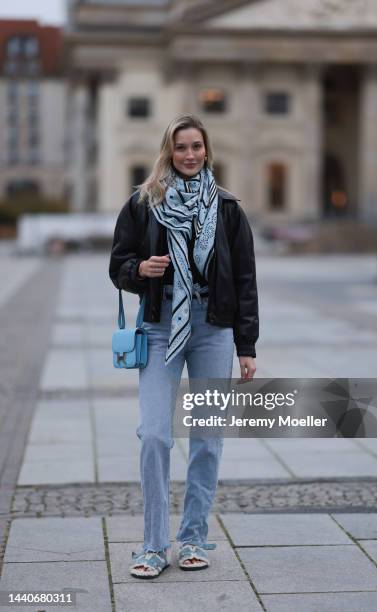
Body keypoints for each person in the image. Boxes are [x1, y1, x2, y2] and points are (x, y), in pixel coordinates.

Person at [109, 113, 258, 578]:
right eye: (181, 147)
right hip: (158, 325)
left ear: (206, 151)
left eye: (196, 146)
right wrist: (140, 272)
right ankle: (153, 545)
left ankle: (193, 537)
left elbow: (245, 280)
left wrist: (246, 344)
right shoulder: (143, 203)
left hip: (213, 326)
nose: (190, 155)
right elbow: (118, 264)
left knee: (207, 439)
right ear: (168, 152)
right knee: (155, 433)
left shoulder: (229, 208)